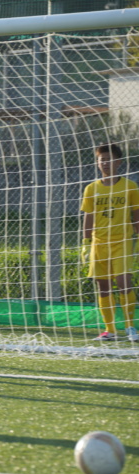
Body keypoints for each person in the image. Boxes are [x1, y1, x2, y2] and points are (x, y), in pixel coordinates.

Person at [80, 143, 139, 342]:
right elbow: (89, 216)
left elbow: (136, 216)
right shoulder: (91, 188)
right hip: (99, 243)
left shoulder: (130, 187)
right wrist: (86, 242)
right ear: (97, 163)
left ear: (119, 162)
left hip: (122, 242)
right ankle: (110, 329)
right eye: (102, 159)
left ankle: (131, 327)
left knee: (124, 283)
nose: (105, 163)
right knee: (102, 286)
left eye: (110, 159)